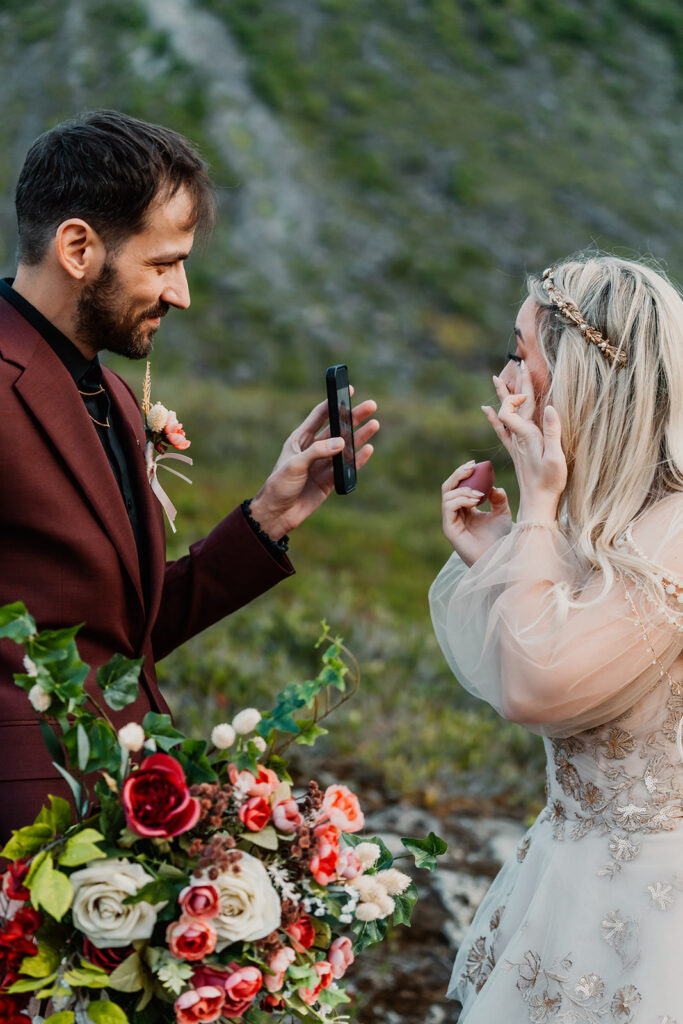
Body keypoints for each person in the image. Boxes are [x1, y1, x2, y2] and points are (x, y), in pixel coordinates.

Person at [0, 110, 379, 840]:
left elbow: (115, 637)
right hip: (24, 844)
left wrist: (270, 517)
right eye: (164, 263)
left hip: (114, 826)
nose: (181, 295)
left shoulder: (107, 391)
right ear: (77, 246)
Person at [429, 253, 683, 1020]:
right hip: (564, 874)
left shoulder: (676, 526)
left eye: (518, 351)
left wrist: (537, 512)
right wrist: (511, 546)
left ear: (577, 374)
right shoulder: (625, 520)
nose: (503, 377)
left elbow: (533, 688)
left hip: (649, 908)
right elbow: (574, 637)